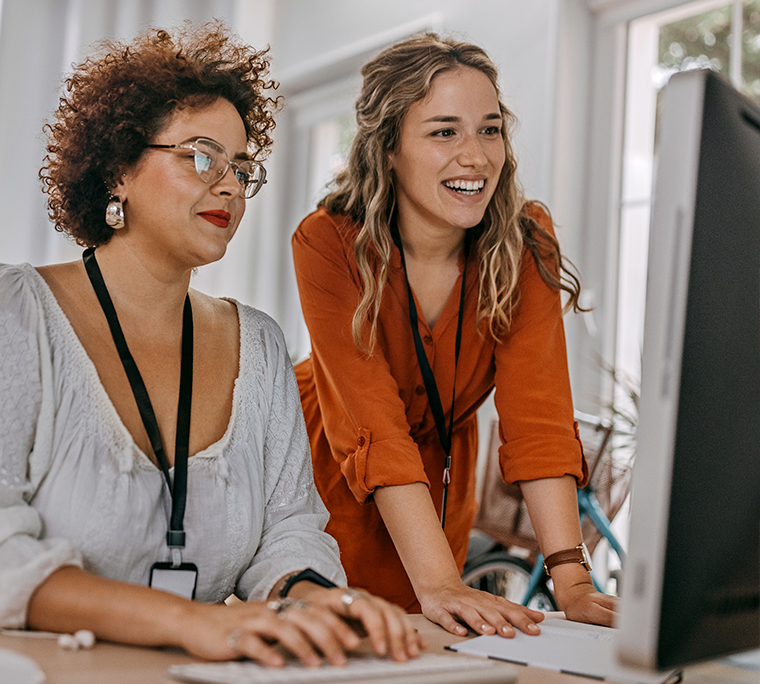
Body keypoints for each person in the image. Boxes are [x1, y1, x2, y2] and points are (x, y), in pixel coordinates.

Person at [0, 22, 423, 666]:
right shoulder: (17, 315)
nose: (227, 184)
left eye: (240, 167)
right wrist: (190, 621)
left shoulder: (257, 343)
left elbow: (289, 532)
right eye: (201, 156)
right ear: (118, 170)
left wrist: (314, 600)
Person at [292, 33, 617, 637]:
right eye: (445, 132)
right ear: (388, 147)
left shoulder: (525, 242)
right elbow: (374, 428)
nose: (476, 156)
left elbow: (539, 418)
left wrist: (572, 579)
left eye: (489, 130)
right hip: (330, 473)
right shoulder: (328, 242)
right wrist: (440, 581)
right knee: (343, 649)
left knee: (442, 646)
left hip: (441, 481)